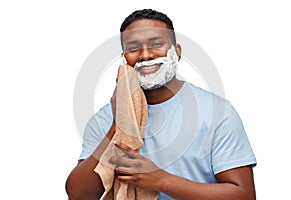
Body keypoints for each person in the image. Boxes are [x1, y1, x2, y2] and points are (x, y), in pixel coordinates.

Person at [66, 9, 257, 200]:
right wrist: (118, 123)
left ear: (177, 52)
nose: (146, 55)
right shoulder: (105, 118)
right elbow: (79, 195)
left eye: (156, 44)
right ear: (125, 58)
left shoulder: (218, 113)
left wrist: (160, 180)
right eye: (133, 48)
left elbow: (244, 195)